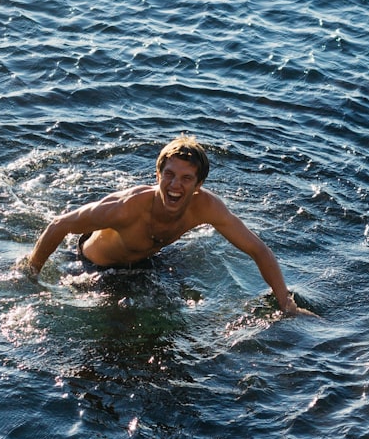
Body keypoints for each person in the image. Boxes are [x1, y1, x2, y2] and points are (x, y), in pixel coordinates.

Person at [23, 135, 303, 316]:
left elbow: (258, 250)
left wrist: (286, 304)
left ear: (198, 185)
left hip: (145, 260)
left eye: (185, 178)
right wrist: (31, 273)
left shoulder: (206, 207)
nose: (175, 185)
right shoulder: (126, 208)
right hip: (93, 268)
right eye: (168, 175)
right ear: (157, 174)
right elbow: (60, 225)